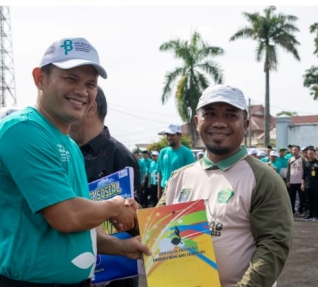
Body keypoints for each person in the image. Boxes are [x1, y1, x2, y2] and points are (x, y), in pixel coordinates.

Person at [0, 37, 148, 285]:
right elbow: (68, 216)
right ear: (40, 78)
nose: (82, 91)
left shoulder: (69, 143)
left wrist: (120, 247)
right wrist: (114, 205)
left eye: (90, 84)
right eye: (71, 79)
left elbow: (83, 225)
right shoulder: (23, 130)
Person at [159, 84, 293, 286]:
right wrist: (125, 214)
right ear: (197, 122)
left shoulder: (263, 178)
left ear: (246, 124)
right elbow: (158, 230)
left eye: (230, 115)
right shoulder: (179, 178)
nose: (219, 123)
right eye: (210, 114)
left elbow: (273, 246)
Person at [69, 85, 142, 287]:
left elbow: (135, 221)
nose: (67, 111)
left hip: (115, 275)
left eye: (74, 103)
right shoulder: (67, 153)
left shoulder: (120, 156)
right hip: (77, 269)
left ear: (91, 107)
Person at [156, 123, 195, 199]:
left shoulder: (187, 153)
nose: (169, 137)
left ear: (179, 135)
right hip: (164, 190)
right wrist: (158, 192)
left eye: (172, 135)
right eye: (167, 135)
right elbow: (160, 173)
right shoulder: (163, 152)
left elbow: (191, 176)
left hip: (180, 191)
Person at [302, 147, 318, 221]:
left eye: (312, 153)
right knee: (308, 201)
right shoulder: (306, 163)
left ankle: (316, 216)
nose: (310, 155)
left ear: (315, 154)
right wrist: (303, 184)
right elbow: (304, 175)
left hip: (316, 185)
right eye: (309, 154)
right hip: (308, 185)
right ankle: (310, 215)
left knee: (316, 201)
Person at [286, 144, 305, 216]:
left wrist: (304, 180)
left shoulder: (302, 159)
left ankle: (301, 210)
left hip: (300, 181)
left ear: (299, 151)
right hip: (292, 181)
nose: (294, 151)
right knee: (292, 197)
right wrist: (288, 181)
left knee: (301, 197)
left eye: (296, 150)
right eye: (293, 150)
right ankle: (292, 210)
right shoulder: (290, 159)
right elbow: (288, 171)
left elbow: (304, 170)